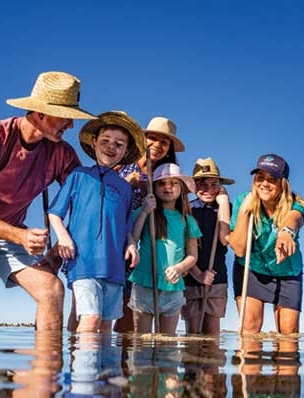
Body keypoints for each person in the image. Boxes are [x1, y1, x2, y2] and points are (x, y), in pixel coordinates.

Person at [0, 71, 94, 329]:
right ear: (40, 113)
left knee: (52, 290)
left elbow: (83, 202)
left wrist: (58, 250)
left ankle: (43, 368)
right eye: (65, 118)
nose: (70, 126)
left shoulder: (62, 153)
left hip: (10, 231)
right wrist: (21, 237)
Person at [47, 111, 145, 335]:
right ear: (94, 143)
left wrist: (131, 245)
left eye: (119, 144)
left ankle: (104, 370)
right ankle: (82, 370)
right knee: (90, 319)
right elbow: (54, 213)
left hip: (114, 265)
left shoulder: (124, 187)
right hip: (83, 261)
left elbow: (127, 227)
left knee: (105, 326)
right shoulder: (78, 175)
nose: (111, 147)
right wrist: (63, 237)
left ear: (126, 151)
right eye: (106, 141)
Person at [114, 117, 185, 333]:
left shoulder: (165, 177)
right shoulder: (122, 164)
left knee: (129, 305)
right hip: (116, 239)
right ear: (142, 139)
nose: (157, 145)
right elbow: (106, 196)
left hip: (143, 248)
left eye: (164, 142)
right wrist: (126, 185)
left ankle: (125, 364)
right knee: (104, 303)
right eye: (153, 138)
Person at [227, 154, 304, 334]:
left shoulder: (296, 204)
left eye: (272, 179)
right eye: (260, 178)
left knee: (289, 332)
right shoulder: (243, 200)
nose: (265, 183)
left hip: (286, 272)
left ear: (283, 184)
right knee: (249, 328)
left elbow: (295, 219)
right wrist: (243, 212)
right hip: (251, 269)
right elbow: (239, 249)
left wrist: (286, 232)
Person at [128, 163, 201, 334]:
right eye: (161, 183)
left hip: (172, 287)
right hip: (145, 282)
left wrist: (179, 268)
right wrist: (145, 211)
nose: (168, 187)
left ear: (181, 188)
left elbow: (192, 255)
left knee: (167, 343)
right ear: (153, 187)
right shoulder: (145, 212)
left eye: (174, 183)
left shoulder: (187, 220)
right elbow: (134, 237)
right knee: (141, 341)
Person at [182, 157, 234, 335]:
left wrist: (224, 204)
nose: (208, 190)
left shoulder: (228, 208)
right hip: (190, 276)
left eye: (214, 184)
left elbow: (225, 239)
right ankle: (192, 362)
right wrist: (198, 274)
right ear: (194, 185)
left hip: (216, 277)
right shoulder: (187, 209)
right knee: (193, 333)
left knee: (212, 335)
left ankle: (212, 363)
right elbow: (182, 246)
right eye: (202, 184)